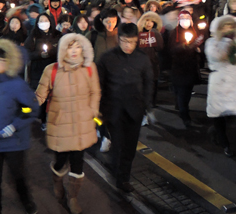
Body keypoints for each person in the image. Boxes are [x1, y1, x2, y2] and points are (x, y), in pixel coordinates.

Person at [35, 34, 100, 214]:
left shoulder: (89, 68)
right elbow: (40, 95)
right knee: (60, 162)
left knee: (78, 162)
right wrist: (28, 104)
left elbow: (95, 92)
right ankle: (57, 182)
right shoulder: (52, 70)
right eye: (70, 47)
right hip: (60, 124)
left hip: (82, 124)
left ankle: (72, 197)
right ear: (64, 49)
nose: (73, 51)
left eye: (77, 47)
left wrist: (92, 111)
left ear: (83, 49)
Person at [97, 23, 153, 193]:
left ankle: (124, 175)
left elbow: (149, 83)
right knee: (118, 144)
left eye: (132, 42)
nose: (128, 46)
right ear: (118, 39)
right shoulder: (107, 58)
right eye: (124, 41)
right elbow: (99, 84)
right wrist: (100, 109)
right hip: (113, 110)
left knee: (130, 146)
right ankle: (119, 176)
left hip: (134, 110)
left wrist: (147, 105)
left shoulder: (142, 58)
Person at [0, 39, 39, 214]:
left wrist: (14, 126)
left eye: (2, 60)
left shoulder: (17, 85)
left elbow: (31, 109)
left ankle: (26, 201)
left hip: (14, 142)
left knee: (18, 176)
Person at [205, 16, 236, 157]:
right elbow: (217, 56)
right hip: (219, 81)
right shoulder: (212, 42)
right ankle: (225, 144)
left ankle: (215, 131)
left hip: (233, 80)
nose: (228, 28)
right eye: (225, 26)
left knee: (232, 113)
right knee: (218, 114)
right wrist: (227, 46)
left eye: (231, 26)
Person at [168, 10, 203, 128]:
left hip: (191, 66)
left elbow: (200, 44)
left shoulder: (194, 31)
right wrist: (184, 46)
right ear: (178, 20)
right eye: (182, 17)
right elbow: (171, 50)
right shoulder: (174, 33)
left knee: (187, 91)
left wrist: (198, 48)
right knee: (182, 91)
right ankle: (184, 114)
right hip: (179, 67)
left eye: (187, 17)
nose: (185, 19)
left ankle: (181, 104)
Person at [137, 11, 164, 108]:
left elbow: (160, 48)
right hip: (140, 64)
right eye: (147, 21)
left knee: (153, 84)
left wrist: (155, 36)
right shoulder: (138, 33)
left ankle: (152, 102)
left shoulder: (156, 33)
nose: (149, 23)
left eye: (151, 21)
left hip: (153, 63)